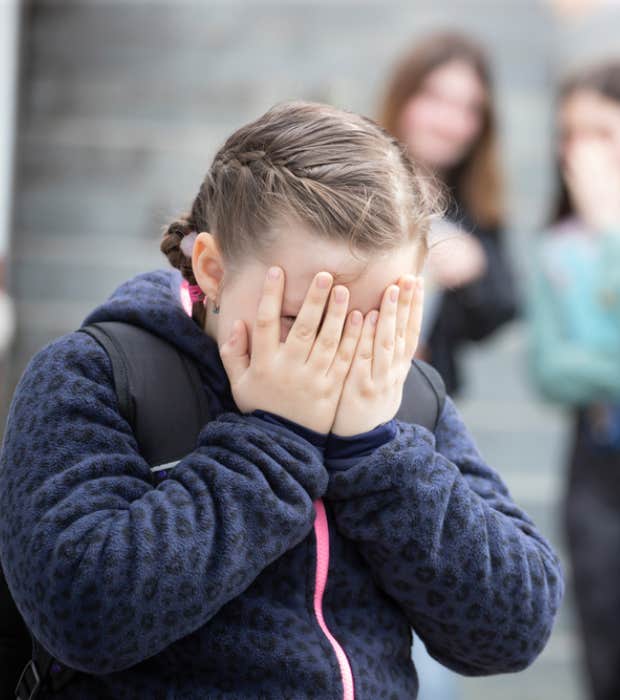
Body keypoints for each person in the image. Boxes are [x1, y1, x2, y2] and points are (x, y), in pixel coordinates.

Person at [0, 101, 562, 699]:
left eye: (378, 321)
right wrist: (274, 442)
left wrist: (379, 457)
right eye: (304, 318)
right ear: (212, 269)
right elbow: (82, 615)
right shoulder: (95, 376)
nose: (340, 350)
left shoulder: (402, 402)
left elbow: (513, 631)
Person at [529, 61, 620, 700]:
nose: (580, 151)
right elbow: (553, 373)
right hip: (596, 463)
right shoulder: (556, 249)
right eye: (569, 134)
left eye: (601, 131)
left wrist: (612, 230)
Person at [379, 32, 517, 395]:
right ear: (404, 96)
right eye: (435, 98)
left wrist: (475, 266)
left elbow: (500, 311)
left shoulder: (471, 203)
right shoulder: (353, 178)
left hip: (421, 395)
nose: (450, 121)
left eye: (469, 108)